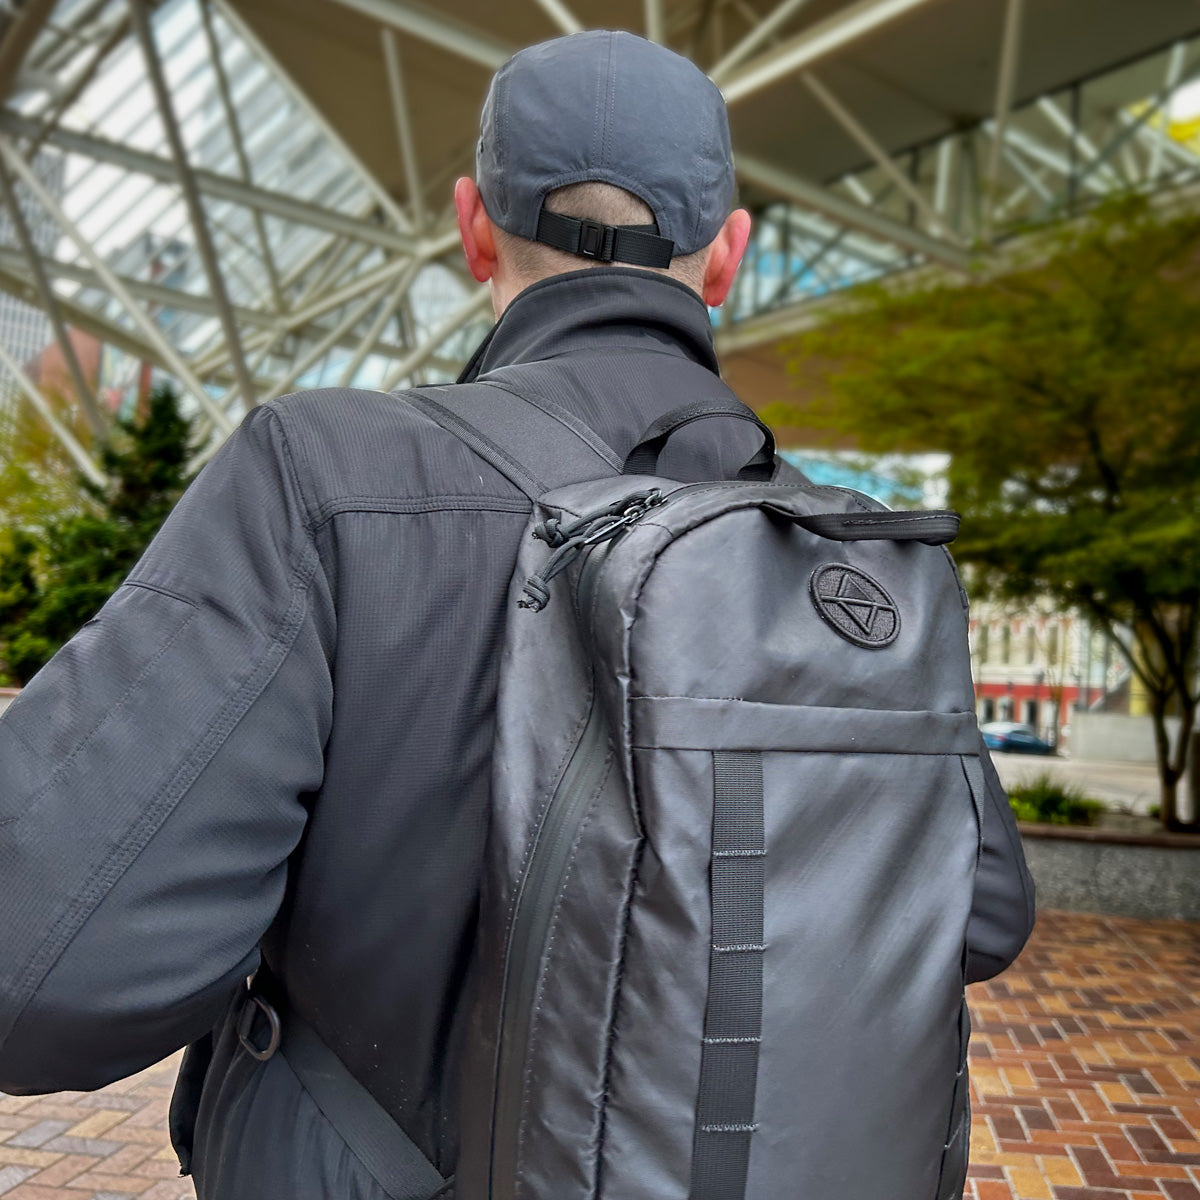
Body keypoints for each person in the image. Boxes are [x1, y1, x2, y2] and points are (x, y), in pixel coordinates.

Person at [0, 29, 1034, 1200]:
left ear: (473, 227)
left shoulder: (327, 478)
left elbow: (41, 975)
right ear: (727, 255)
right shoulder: (843, 561)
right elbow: (984, 913)